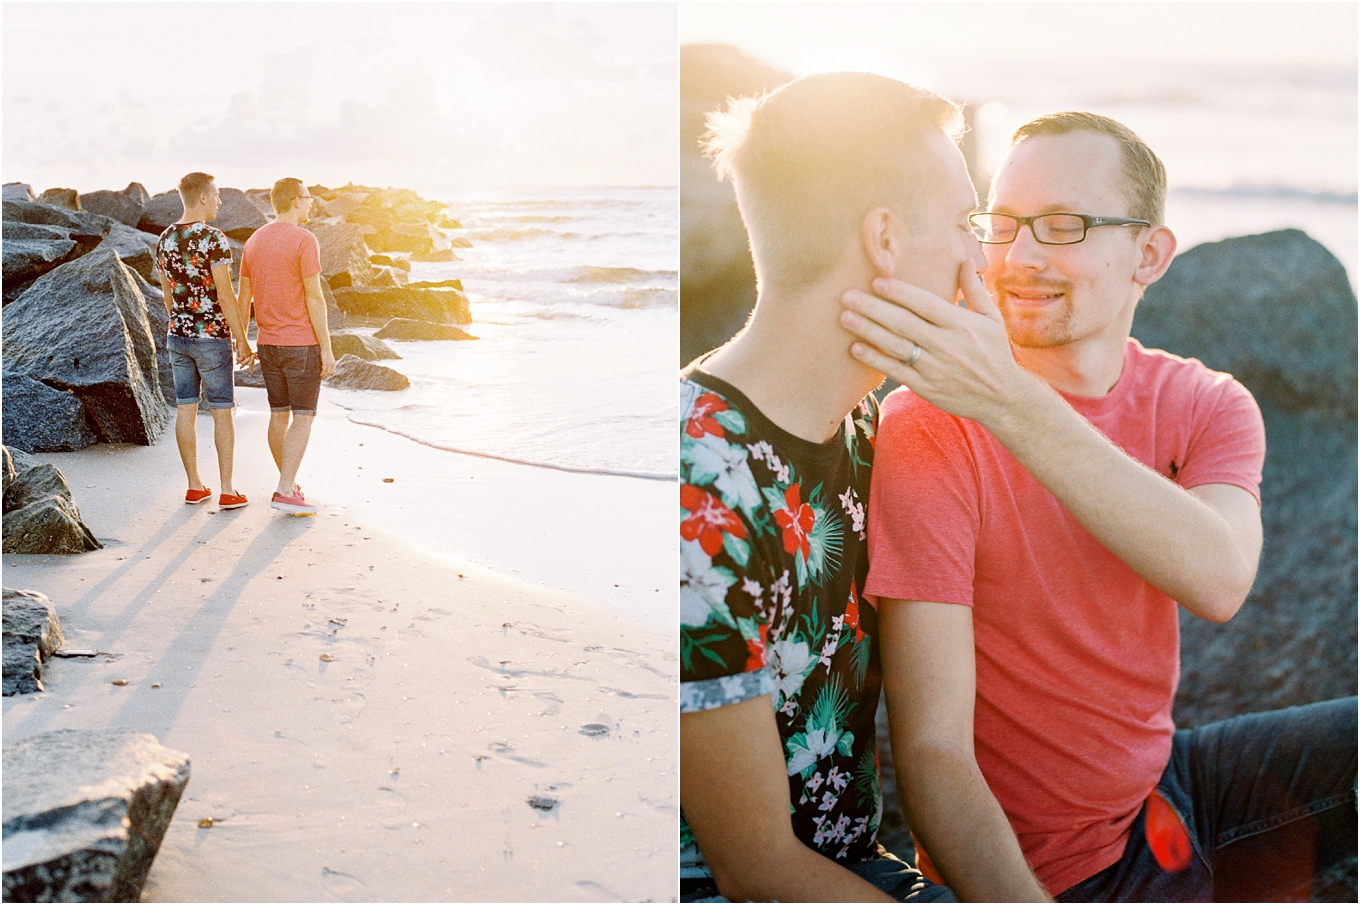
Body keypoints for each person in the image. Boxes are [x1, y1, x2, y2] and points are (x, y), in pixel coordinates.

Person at [843, 111, 1357, 901]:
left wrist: (1012, 400)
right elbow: (932, 752)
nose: (1018, 259)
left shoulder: (1206, 402)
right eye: (1003, 225)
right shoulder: (931, 426)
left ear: (1148, 254)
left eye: (1062, 226)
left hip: (1173, 784)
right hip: (1065, 873)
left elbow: (1219, 577)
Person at [680, 71, 1005, 903]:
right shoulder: (696, 490)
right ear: (885, 238)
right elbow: (755, 869)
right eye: (967, 223)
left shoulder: (870, 424)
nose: (981, 256)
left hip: (857, 865)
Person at [156, 171, 254, 510]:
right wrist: (242, 339)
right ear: (201, 197)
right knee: (222, 411)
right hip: (211, 337)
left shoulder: (165, 238)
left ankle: (195, 486)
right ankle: (228, 490)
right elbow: (226, 295)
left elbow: (167, 295)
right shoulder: (213, 238)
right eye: (215, 195)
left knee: (186, 408)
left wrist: (181, 318)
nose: (219, 201)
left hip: (177, 335)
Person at [238, 177, 335, 516]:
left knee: (279, 415)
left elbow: (243, 297)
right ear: (295, 201)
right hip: (301, 344)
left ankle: (288, 484)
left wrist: (243, 341)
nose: (311, 204)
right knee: (304, 418)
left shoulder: (253, 240)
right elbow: (315, 296)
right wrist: (326, 348)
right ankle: (284, 489)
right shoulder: (304, 240)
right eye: (308, 198)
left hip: (268, 345)